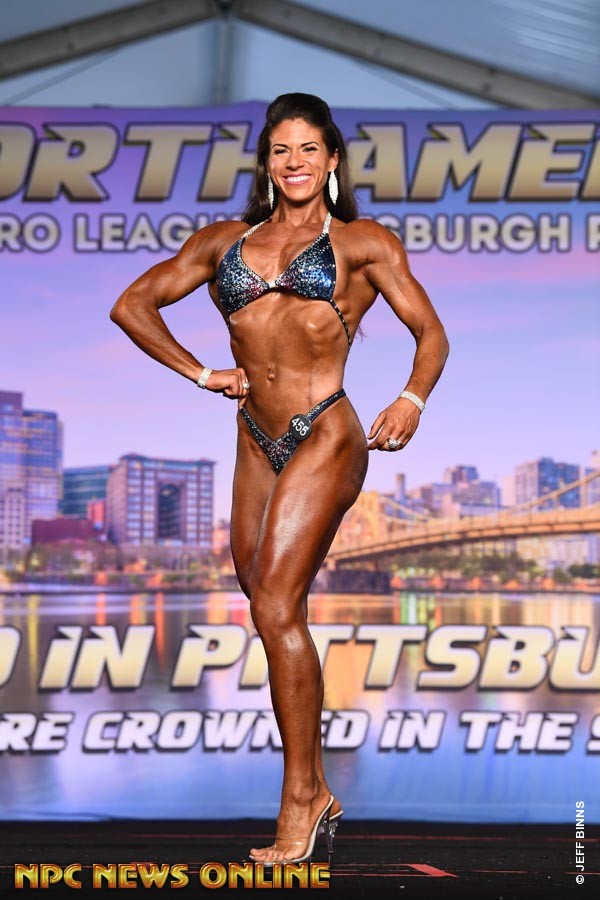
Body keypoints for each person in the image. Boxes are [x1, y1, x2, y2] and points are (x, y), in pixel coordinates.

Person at [110, 93, 449, 866]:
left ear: (331, 161)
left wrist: (411, 398)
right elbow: (132, 305)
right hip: (254, 438)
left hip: (327, 429)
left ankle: (300, 798)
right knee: (271, 611)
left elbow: (431, 333)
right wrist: (202, 372)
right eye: (281, 150)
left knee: (273, 601)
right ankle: (316, 789)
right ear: (267, 163)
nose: (294, 162)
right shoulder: (223, 241)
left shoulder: (362, 242)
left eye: (308, 149)